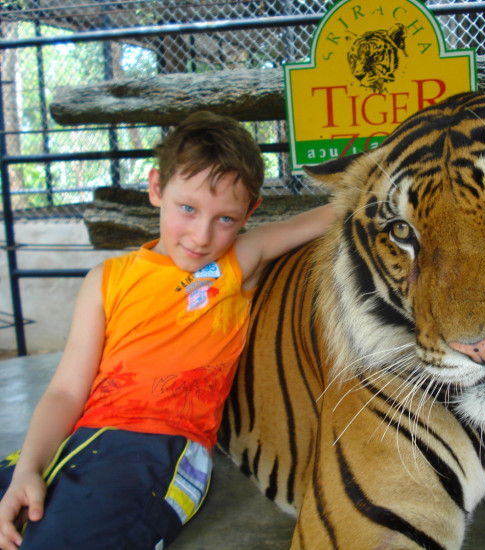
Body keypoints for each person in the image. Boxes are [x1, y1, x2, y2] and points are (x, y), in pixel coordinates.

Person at [0, 111, 338, 550]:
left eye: (225, 219)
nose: (201, 236)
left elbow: (331, 213)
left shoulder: (237, 262)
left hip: (159, 448)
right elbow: (66, 391)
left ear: (249, 213)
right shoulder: (105, 279)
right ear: (157, 188)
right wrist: (29, 468)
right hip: (79, 439)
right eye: (188, 209)